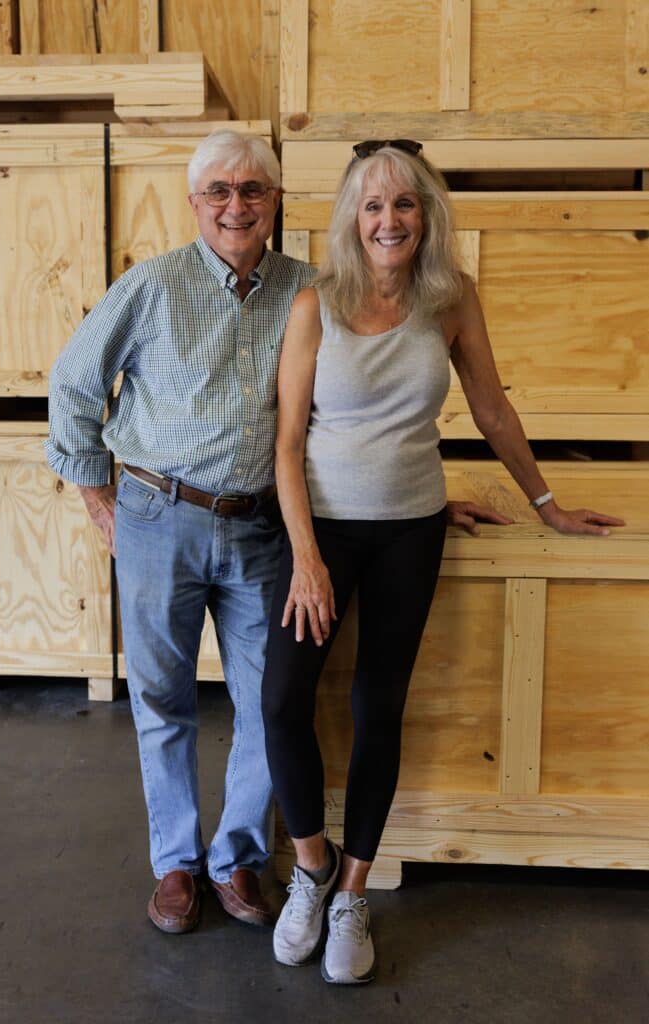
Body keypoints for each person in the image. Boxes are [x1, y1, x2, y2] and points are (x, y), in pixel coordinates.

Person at [261, 139, 625, 985]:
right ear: (353, 216)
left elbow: (491, 408)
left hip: (409, 531)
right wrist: (306, 559)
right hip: (320, 529)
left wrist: (546, 506)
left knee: (376, 703)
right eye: (373, 205)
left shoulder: (450, 298)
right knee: (282, 697)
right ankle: (311, 869)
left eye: (404, 204)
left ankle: (354, 892)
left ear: (427, 214)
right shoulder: (316, 305)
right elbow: (284, 445)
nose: (388, 220)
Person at [45, 130, 316, 934]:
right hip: (157, 515)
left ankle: (237, 858)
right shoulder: (154, 285)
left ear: (274, 200)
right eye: (220, 192)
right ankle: (174, 861)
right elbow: (73, 381)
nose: (237, 206)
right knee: (163, 701)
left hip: (260, 525)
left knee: (270, 703)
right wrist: (98, 498)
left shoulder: (307, 292)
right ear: (195, 202)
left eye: (253, 190)